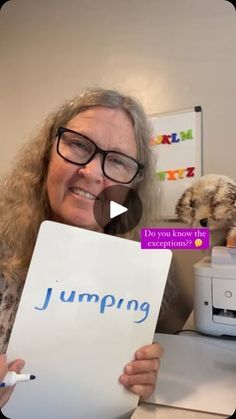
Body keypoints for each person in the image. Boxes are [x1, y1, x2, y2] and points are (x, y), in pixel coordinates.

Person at [0, 88, 163, 408]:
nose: (92, 172)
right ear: (47, 153)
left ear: (131, 187)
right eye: (77, 144)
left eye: (117, 161)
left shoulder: (133, 269)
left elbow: (192, 241)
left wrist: (136, 379)